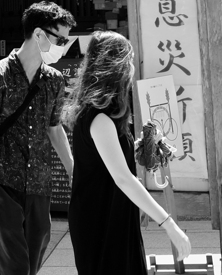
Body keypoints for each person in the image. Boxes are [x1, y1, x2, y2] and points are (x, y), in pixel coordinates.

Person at [63, 31, 191, 275]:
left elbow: (107, 160)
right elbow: (123, 178)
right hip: (100, 219)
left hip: (112, 214)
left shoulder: (105, 111)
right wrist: (168, 223)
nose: (132, 66)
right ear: (117, 66)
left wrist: (141, 146)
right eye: (129, 59)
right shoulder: (99, 117)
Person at [0, 1, 76, 275]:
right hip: (3, 178)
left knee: (33, 253)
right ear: (38, 34)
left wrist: (74, 171)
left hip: (39, 180)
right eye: (59, 38)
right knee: (15, 261)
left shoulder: (55, 80)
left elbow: (55, 129)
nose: (64, 45)